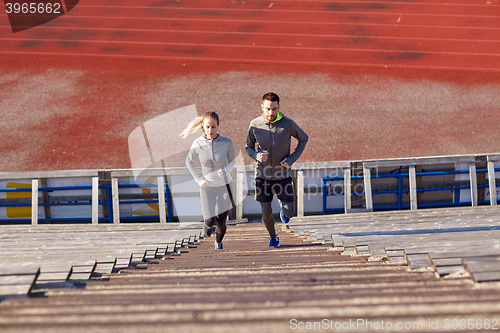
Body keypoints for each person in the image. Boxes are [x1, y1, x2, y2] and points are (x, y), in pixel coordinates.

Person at [245, 92, 308, 247]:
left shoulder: (288, 124)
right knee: (265, 212)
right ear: (262, 107)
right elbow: (248, 147)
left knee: (289, 213)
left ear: (279, 107)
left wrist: (291, 159)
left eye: (274, 109)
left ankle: (283, 207)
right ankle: (273, 237)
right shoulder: (254, 124)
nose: (271, 113)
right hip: (262, 176)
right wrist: (258, 156)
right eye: (267, 109)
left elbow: (303, 138)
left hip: (283, 175)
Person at [182, 111, 236, 250]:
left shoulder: (226, 141)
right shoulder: (198, 143)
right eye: (207, 127)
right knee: (210, 220)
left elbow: (232, 161)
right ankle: (207, 225)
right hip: (207, 186)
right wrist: (199, 179)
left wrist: (225, 171)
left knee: (222, 222)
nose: (210, 130)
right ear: (203, 127)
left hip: (225, 184)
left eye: (213, 127)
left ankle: (218, 242)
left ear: (218, 126)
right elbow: (189, 162)